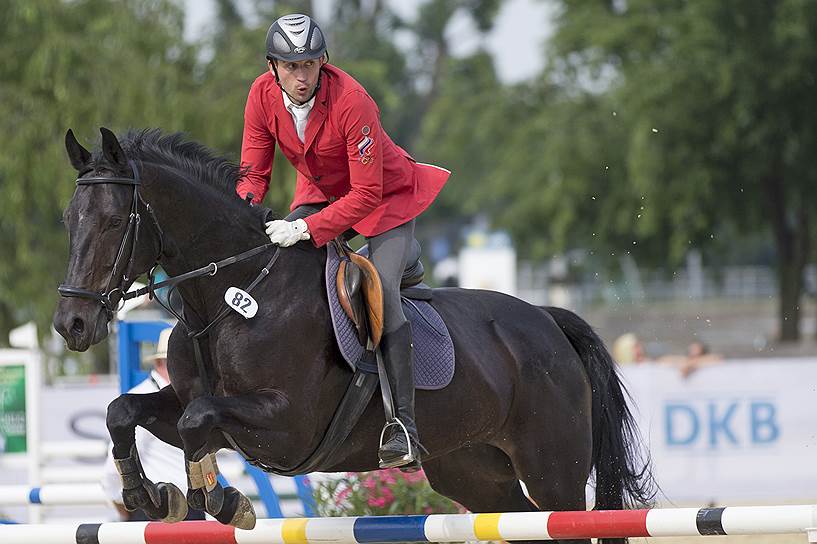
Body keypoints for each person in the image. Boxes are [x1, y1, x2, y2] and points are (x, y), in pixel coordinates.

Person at [237, 14, 449, 470]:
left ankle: (404, 428)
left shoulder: (352, 101)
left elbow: (367, 193)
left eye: (310, 65)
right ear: (272, 67)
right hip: (321, 197)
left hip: (384, 201)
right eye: (291, 67)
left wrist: (307, 229)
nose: (302, 76)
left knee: (381, 291)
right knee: (279, 272)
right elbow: (254, 175)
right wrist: (241, 218)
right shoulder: (260, 95)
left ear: (323, 62)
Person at [101, 327, 205, 521]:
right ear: (159, 363)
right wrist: (124, 503)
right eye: (178, 361)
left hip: (181, 507)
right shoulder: (140, 400)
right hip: (158, 508)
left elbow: (113, 468)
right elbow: (113, 465)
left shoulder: (153, 398)